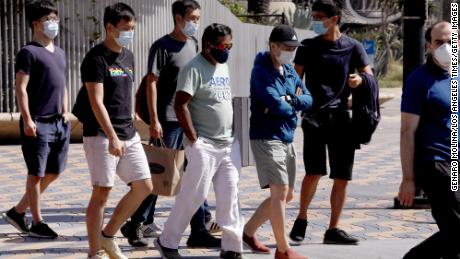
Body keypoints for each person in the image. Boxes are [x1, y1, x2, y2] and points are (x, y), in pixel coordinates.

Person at [120, 0, 220, 248]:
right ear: (178, 18)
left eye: (198, 18)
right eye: (193, 18)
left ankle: (198, 229)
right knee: (161, 174)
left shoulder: (193, 44)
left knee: (195, 174)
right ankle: (135, 223)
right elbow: (151, 83)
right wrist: (154, 121)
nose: (196, 23)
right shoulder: (162, 47)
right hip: (168, 121)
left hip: (189, 119)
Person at [154, 23, 244, 259]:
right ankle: (167, 241)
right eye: (223, 45)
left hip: (227, 144)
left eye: (230, 45)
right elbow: (180, 104)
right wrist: (193, 139)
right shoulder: (193, 68)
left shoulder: (222, 66)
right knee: (193, 195)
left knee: (230, 195)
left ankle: (232, 247)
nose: (227, 50)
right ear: (208, 46)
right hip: (204, 144)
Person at [289, 0, 373, 245]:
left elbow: (368, 75)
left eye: (319, 17)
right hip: (314, 118)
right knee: (313, 172)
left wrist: (359, 80)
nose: (315, 20)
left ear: (334, 19)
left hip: (341, 119)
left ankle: (333, 229)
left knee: (342, 176)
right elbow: (295, 79)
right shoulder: (307, 47)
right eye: (313, 16)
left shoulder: (353, 46)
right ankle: (302, 218)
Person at [76, 3, 153, 259]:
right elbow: (96, 101)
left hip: (129, 133)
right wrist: (111, 136)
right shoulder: (95, 59)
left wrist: (134, 122)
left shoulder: (128, 56)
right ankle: (94, 250)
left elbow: (124, 94)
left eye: (132, 27)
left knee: (144, 185)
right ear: (110, 27)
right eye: (125, 28)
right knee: (102, 192)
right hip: (101, 134)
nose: (130, 32)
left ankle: (108, 236)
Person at [1, 0, 70, 239]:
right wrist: (28, 119)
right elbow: (20, 88)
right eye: (49, 20)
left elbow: (62, 82)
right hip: (38, 122)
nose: (54, 24)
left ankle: (18, 211)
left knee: (54, 171)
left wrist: (65, 107)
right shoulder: (28, 52)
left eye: (55, 19)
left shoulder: (59, 52)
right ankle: (37, 222)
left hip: (60, 122)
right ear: (36, 24)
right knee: (36, 173)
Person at [244, 25, 312, 259]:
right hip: (266, 137)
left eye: (294, 48)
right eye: (287, 47)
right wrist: (291, 102)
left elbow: (308, 98)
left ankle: (249, 231)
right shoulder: (261, 71)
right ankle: (283, 250)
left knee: (286, 195)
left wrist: (290, 98)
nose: (291, 51)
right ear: (273, 46)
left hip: (287, 137)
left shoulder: (289, 70)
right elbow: (277, 105)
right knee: (280, 191)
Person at [398, 21, 460, 259]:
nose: (446, 47)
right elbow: (406, 131)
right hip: (435, 163)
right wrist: (408, 179)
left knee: (453, 236)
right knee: (455, 228)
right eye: (439, 42)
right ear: (428, 46)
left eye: (451, 41)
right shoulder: (419, 80)